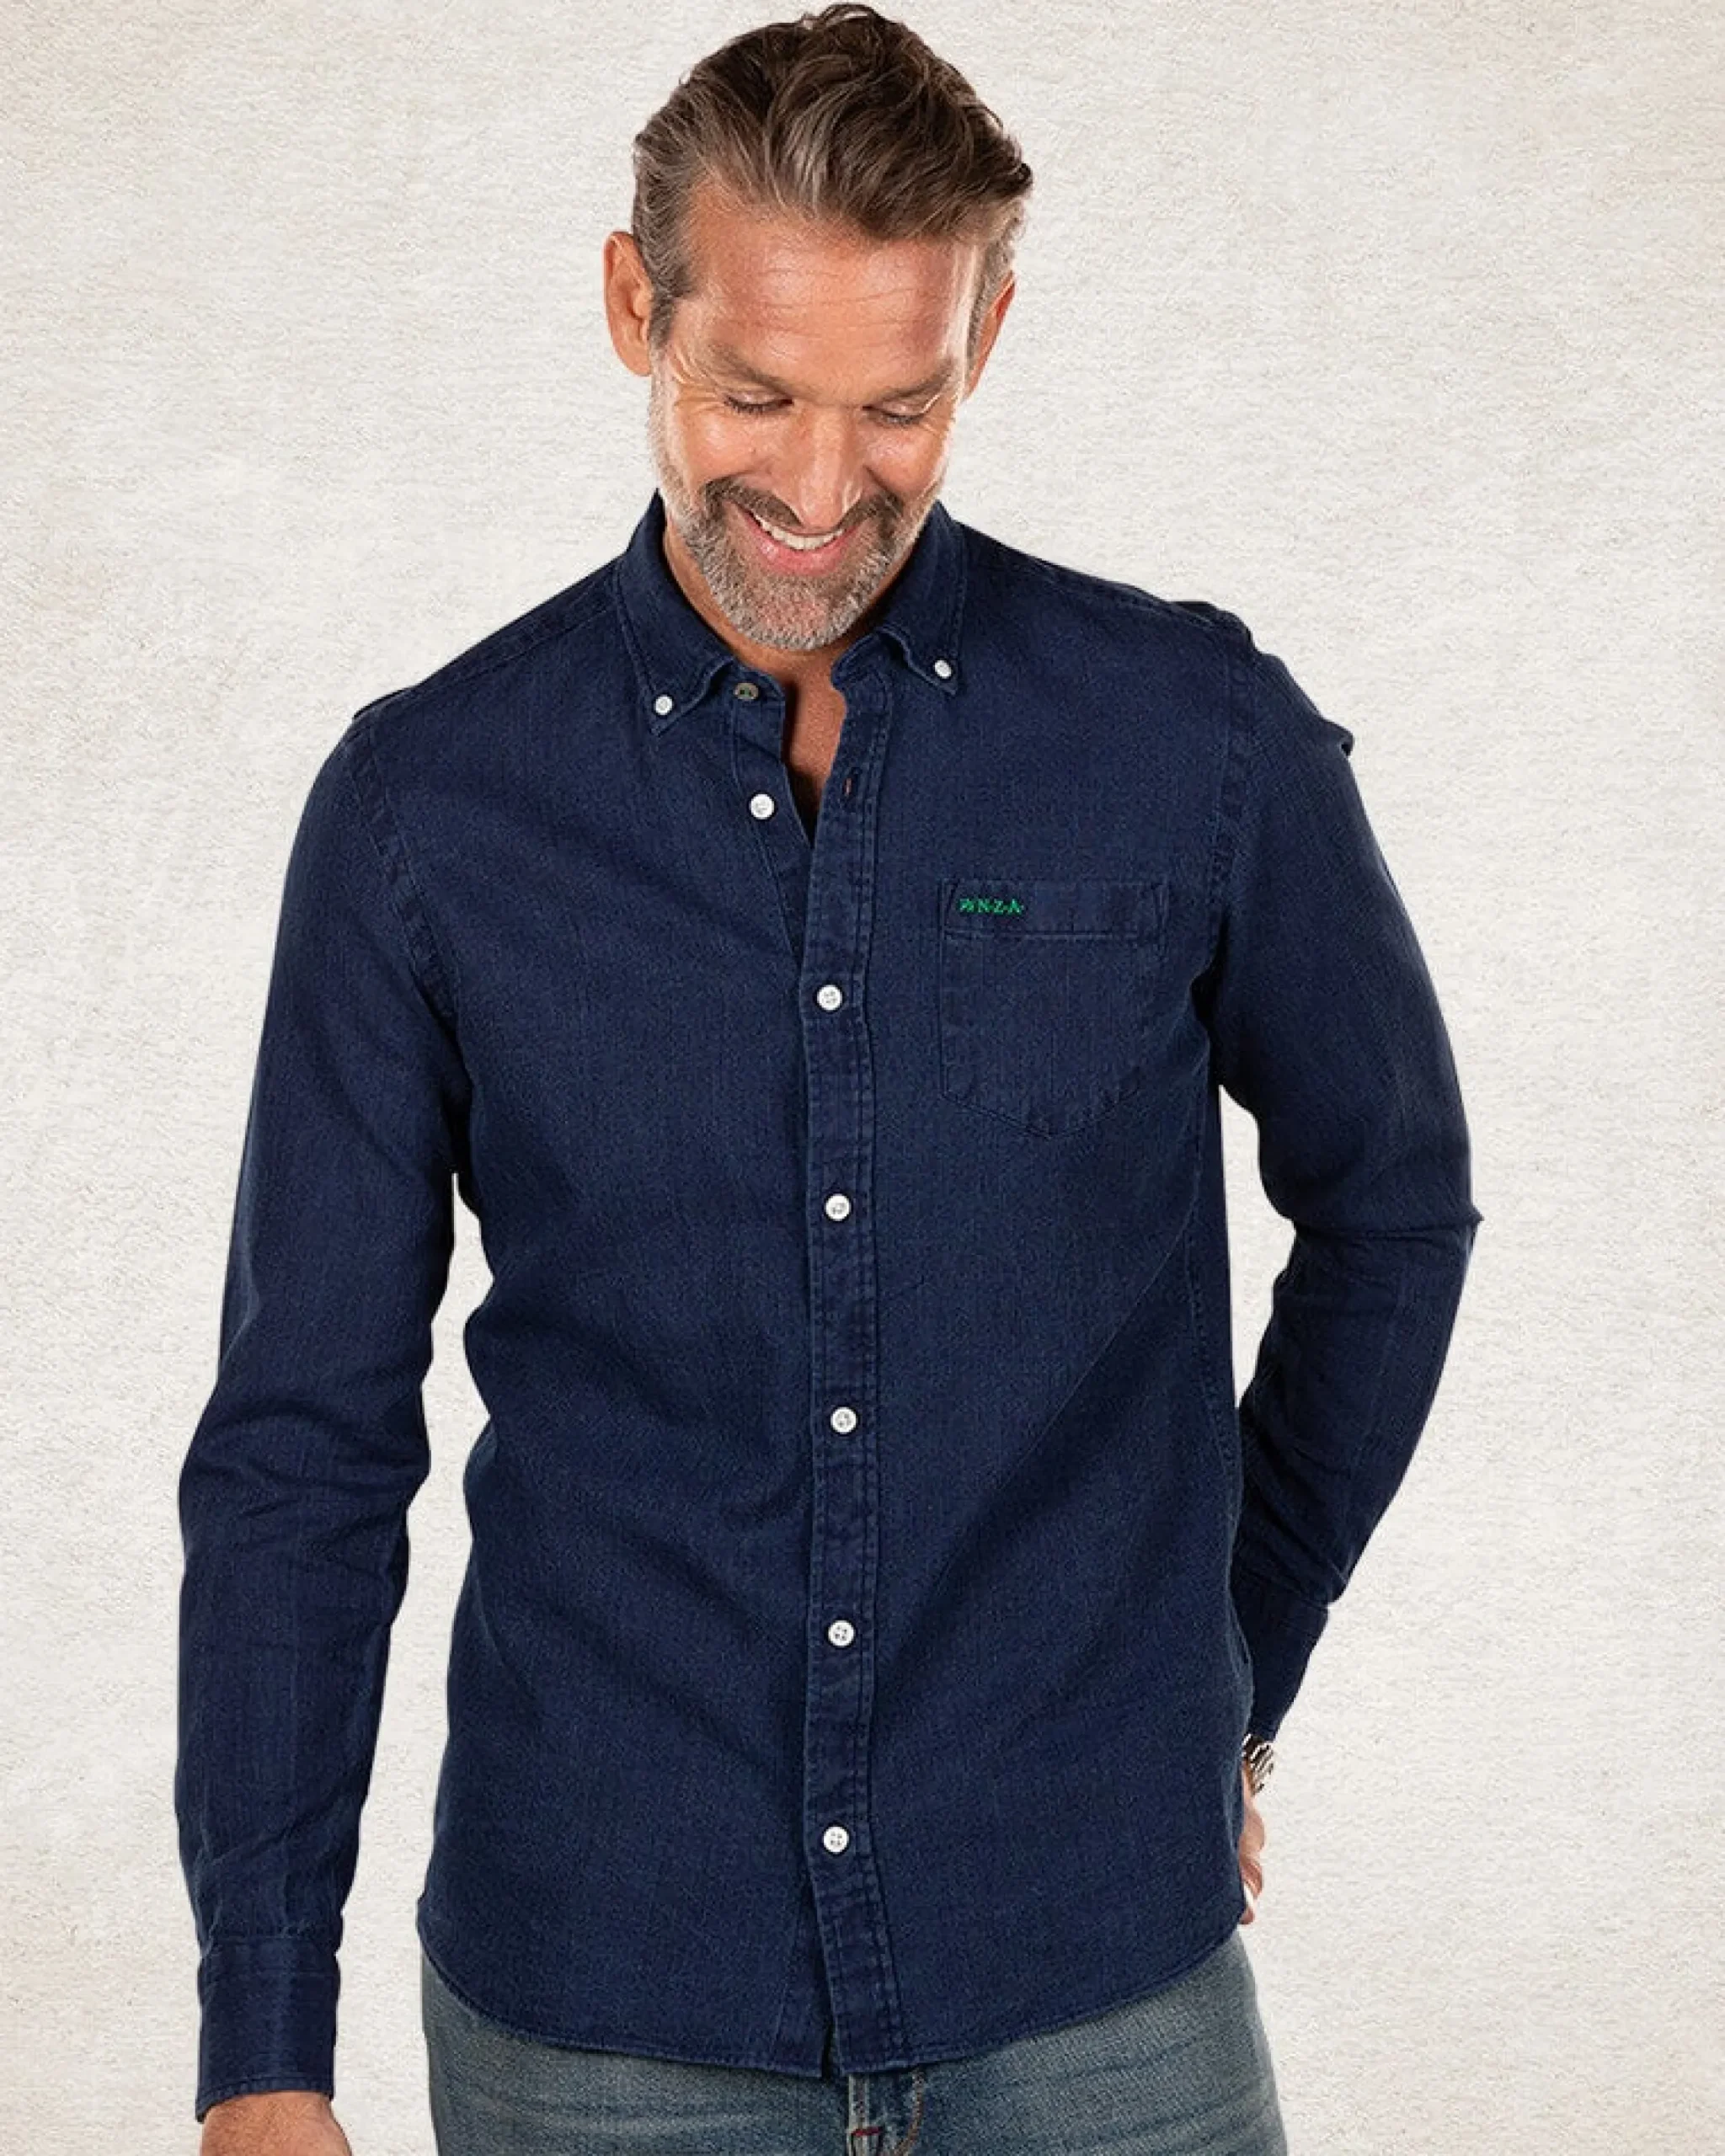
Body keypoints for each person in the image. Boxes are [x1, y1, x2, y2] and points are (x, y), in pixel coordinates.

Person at [175, 7, 1482, 2152]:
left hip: (1100, 1972)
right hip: (602, 2001)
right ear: (636, 306)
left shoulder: (1191, 736)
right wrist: (261, 2046)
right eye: (754, 392)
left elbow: (1394, 1201)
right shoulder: (428, 810)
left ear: (987, 337)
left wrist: (1231, 1658)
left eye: (900, 405)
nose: (813, 488)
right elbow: (302, 1444)